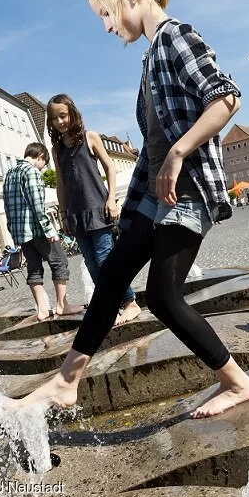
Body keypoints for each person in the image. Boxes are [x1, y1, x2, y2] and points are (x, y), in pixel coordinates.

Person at [5, 0, 249, 419]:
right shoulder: (151, 53)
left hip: (188, 190)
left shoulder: (176, 37)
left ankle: (238, 383)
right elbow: (154, 141)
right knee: (114, 274)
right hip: (153, 193)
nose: (105, 27)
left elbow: (226, 98)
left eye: (105, 13)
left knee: (163, 297)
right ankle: (66, 382)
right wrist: (129, 193)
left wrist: (180, 153)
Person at [47, 94, 142, 325]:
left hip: (98, 208)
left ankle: (130, 302)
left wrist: (111, 199)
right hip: (76, 215)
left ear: (72, 113)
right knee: (91, 264)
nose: (60, 121)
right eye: (54, 118)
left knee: (105, 260)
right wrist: (63, 214)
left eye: (63, 115)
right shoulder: (56, 150)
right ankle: (111, 306)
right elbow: (61, 184)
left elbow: (110, 168)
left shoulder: (90, 137)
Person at [3, 142, 84, 321]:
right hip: (37, 230)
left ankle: (41, 310)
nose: (42, 168)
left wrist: (13, 231)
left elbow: (7, 206)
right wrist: (49, 230)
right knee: (60, 261)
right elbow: (37, 205)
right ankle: (62, 306)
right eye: (44, 163)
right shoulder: (31, 172)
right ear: (39, 156)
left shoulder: (8, 174)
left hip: (21, 233)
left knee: (34, 268)